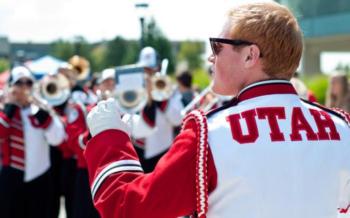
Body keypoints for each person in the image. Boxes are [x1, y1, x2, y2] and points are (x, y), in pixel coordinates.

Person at [85, 2, 350, 218]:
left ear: (250, 56)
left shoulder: (208, 134)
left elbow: (128, 209)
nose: (211, 57)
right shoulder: (341, 128)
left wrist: (110, 137)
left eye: (217, 46)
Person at [0, 66, 66, 218]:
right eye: (19, 83)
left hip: (40, 177)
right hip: (11, 177)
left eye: (28, 83)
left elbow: (57, 139)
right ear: (10, 87)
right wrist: (10, 107)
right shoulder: (4, 109)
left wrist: (43, 113)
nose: (24, 87)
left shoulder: (41, 107)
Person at [132, 46, 184, 172]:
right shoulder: (134, 90)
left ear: (159, 68)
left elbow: (178, 120)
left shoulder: (170, 91)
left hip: (162, 151)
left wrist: (162, 98)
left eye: (151, 69)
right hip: (137, 151)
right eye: (144, 69)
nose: (147, 73)